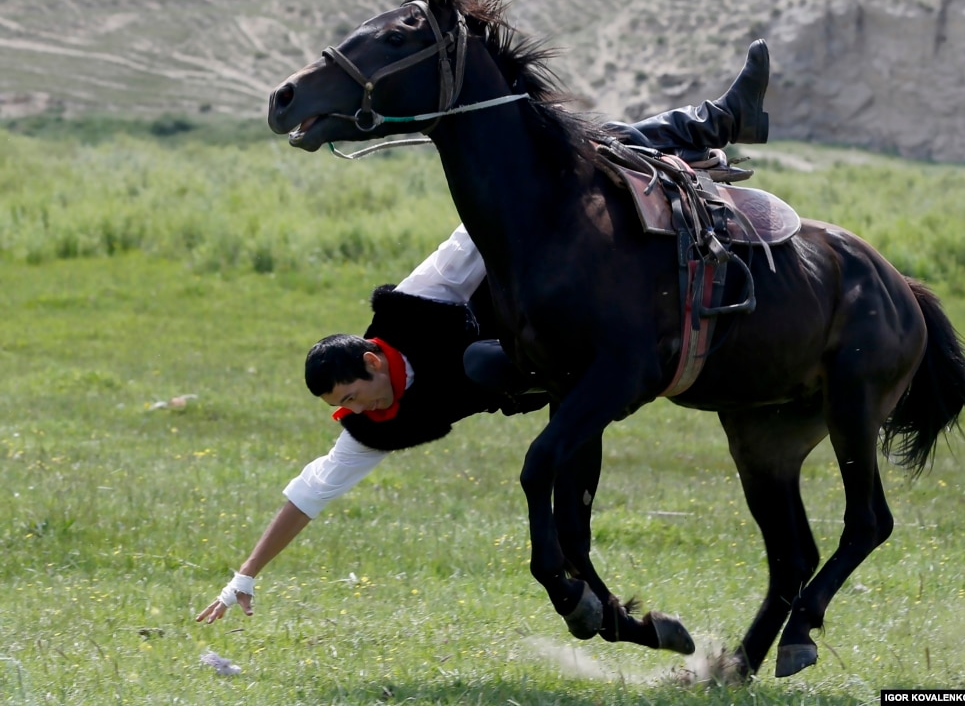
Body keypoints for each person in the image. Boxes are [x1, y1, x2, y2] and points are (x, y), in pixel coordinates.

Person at [195, 40, 770, 624]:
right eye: (341, 406)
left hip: (557, 327)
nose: (352, 410)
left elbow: (474, 240)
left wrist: (553, 170)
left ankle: (714, 120)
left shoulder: (417, 303)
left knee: (587, 150)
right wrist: (244, 576)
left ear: (371, 360)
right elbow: (312, 489)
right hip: (533, 378)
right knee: (485, 367)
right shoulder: (380, 423)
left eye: (349, 397)